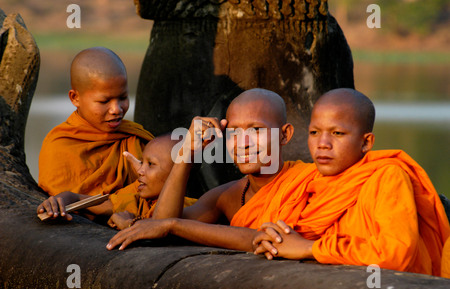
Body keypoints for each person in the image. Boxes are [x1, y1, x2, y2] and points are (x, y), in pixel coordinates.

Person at [252, 88, 450, 277]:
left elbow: (395, 255)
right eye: (314, 133)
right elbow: (278, 234)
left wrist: (309, 248)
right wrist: (273, 238)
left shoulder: (387, 177)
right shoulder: (305, 180)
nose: (323, 144)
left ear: (366, 143)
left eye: (337, 133)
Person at [106, 88, 314, 251]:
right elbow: (161, 225)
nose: (243, 143)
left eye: (256, 130)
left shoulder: (309, 180)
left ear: (284, 135)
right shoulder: (227, 195)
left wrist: (173, 225)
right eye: (233, 132)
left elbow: (270, 238)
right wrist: (187, 153)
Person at [38, 47, 153, 197]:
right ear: (75, 98)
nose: (116, 109)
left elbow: (159, 195)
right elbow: (61, 204)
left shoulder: (134, 137)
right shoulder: (59, 147)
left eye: (123, 98)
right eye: (104, 101)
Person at [36, 134, 196, 229]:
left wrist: (129, 224)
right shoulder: (139, 201)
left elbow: (161, 229)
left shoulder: (191, 210)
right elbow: (78, 199)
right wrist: (59, 201)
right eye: (141, 163)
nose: (139, 171)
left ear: (179, 173)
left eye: (151, 165)